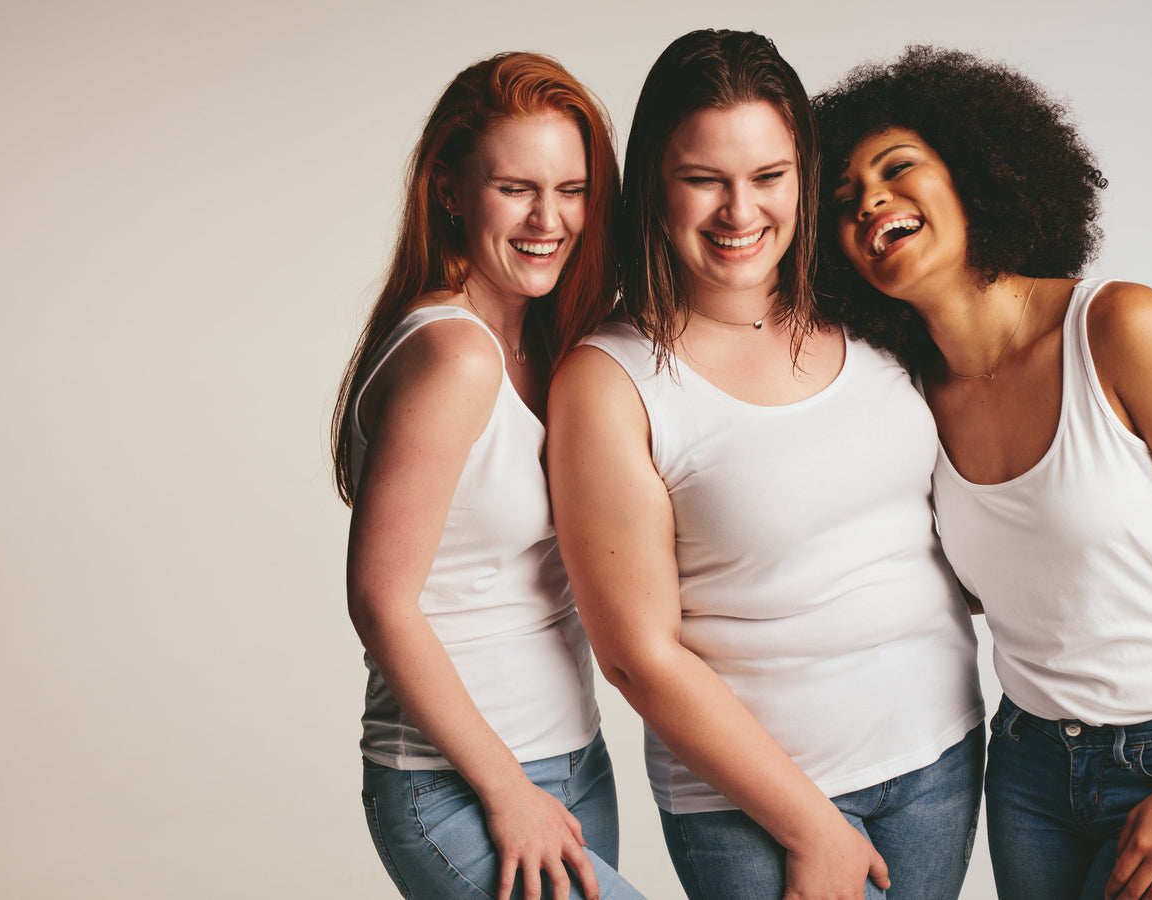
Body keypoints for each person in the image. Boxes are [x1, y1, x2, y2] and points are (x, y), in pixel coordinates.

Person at [814, 46, 1152, 900]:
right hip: (1028, 768)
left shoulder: (1119, 329)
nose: (870, 201)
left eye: (896, 168)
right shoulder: (911, 399)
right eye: (843, 201)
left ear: (974, 175)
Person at [547, 30, 985, 900]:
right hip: (751, 809)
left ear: (803, 176)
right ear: (655, 188)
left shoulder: (871, 313)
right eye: (703, 179)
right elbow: (636, 653)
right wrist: (809, 825)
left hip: (939, 760)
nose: (739, 212)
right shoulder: (611, 379)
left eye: (768, 178)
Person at [330, 51, 643, 900]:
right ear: (449, 189)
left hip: (572, 757)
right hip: (459, 783)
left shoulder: (546, 340)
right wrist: (509, 793)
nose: (549, 218)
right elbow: (380, 601)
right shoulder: (454, 354)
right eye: (516, 188)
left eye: (571, 190)